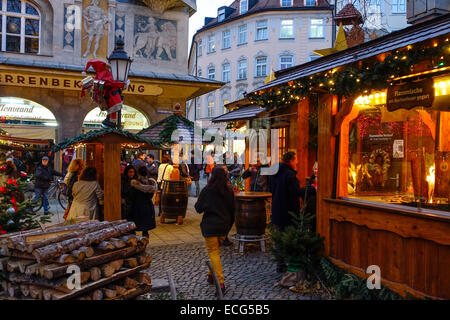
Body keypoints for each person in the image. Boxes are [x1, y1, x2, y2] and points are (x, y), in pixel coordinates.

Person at [194, 166, 235, 295]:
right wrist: (229, 227)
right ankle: (210, 276)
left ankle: (220, 283)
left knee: (214, 253)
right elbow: (233, 211)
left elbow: (198, 208)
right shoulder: (229, 190)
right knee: (215, 251)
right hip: (224, 227)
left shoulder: (207, 190)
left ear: (212, 176)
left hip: (210, 227)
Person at [270, 151, 303, 273]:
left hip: (277, 209)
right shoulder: (289, 175)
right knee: (289, 237)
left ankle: (280, 263)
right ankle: (290, 264)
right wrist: (306, 189)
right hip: (289, 211)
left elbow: (271, 189)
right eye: (296, 160)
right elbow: (295, 192)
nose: (297, 162)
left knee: (279, 238)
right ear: (291, 161)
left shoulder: (274, 172)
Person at [128, 166, 157, 238]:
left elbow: (132, 195)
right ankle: (145, 240)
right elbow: (151, 195)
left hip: (137, 206)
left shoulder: (135, 183)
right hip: (147, 205)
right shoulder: (151, 183)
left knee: (135, 224)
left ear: (138, 173)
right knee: (145, 228)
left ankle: (135, 241)